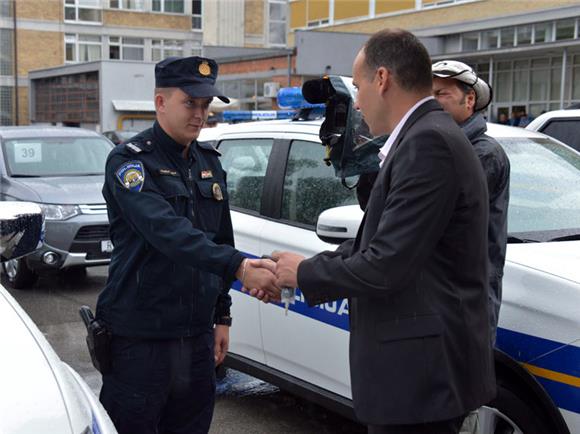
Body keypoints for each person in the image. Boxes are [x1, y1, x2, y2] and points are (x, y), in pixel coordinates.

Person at [250, 29, 496, 433]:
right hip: (418, 379)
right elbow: (379, 244)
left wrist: (304, 274)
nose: (357, 100)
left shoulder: (428, 143)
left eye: (359, 84)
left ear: (382, 79)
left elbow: (387, 264)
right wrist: (301, 268)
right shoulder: (422, 137)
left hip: (419, 382)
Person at [96, 56, 277, 434]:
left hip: (195, 338)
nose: (199, 114)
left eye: (205, 105)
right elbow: (168, 232)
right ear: (160, 102)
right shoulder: (130, 164)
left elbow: (219, 239)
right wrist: (242, 267)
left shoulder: (208, 162)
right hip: (141, 339)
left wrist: (222, 316)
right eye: (190, 103)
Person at [432, 60, 510, 345]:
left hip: (465, 299)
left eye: (442, 94)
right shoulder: (439, 147)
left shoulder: (483, 153)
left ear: (470, 99)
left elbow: (435, 214)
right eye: (429, 94)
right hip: (441, 293)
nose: (433, 101)